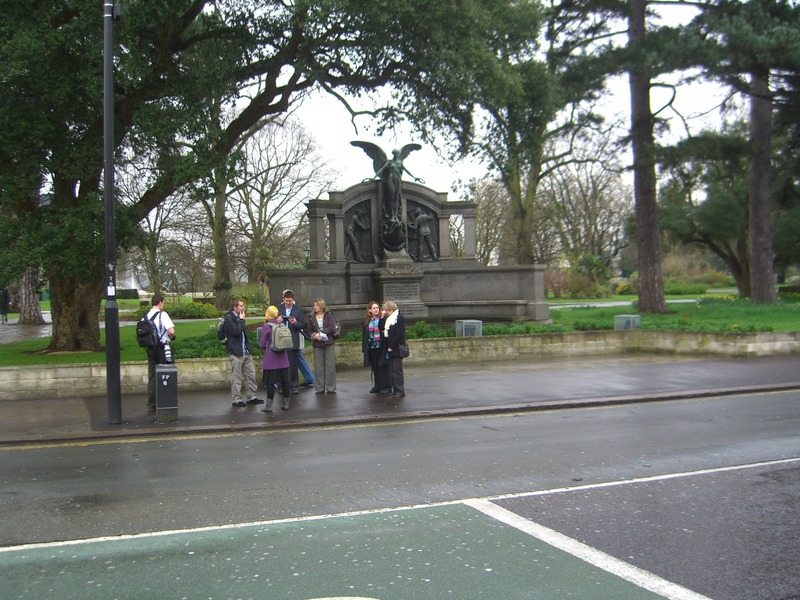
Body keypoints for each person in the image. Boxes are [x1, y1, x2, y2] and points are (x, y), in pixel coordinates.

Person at [223, 298, 263, 408]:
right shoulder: (228, 318)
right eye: (241, 306)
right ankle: (236, 399)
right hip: (236, 352)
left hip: (245, 351)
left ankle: (252, 396)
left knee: (250, 374)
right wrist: (241, 320)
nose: (243, 308)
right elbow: (235, 331)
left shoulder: (239, 318)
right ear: (234, 307)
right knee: (236, 376)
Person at [145, 295, 176, 412]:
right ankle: (166, 400)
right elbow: (171, 331)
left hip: (150, 349)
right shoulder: (163, 315)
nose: (163, 305)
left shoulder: (146, 316)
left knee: (152, 377)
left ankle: (151, 403)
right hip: (163, 349)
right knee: (167, 374)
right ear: (160, 303)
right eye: (163, 303)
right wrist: (171, 336)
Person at [259, 305, 291, 412]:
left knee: (270, 383)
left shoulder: (267, 327)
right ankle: (286, 403)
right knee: (285, 381)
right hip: (283, 359)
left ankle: (269, 406)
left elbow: (262, 344)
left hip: (271, 360)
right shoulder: (281, 325)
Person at [278, 289, 306, 394]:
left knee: (293, 365)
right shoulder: (279, 308)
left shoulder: (298, 310)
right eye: (286, 301)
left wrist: (295, 323)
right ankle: (283, 385)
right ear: (283, 299)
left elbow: (302, 324)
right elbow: (272, 323)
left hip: (293, 339)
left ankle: (294, 385)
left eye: (290, 301)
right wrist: (278, 321)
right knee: (282, 364)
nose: (288, 303)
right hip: (281, 340)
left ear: (293, 300)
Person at [306, 298, 337, 394]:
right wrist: (314, 335)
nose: (314, 307)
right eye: (314, 305)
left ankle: (330, 387)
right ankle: (319, 387)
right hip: (317, 343)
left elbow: (332, 327)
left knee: (330, 365)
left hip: (328, 342)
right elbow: (308, 330)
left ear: (321, 306)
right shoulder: (312, 316)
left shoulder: (328, 315)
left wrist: (321, 332)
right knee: (319, 366)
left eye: (316, 305)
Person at [361, 301, 390, 394]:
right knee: (375, 367)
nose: (376, 309)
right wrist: (364, 348)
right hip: (372, 347)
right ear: (370, 310)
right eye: (373, 308)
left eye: (377, 307)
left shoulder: (383, 319)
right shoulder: (367, 320)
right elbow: (364, 335)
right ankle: (377, 386)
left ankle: (385, 386)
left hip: (381, 346)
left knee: (383, 366)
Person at [381, 300, 406, 398]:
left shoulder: (399, 318)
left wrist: (391, 346)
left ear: (391, 310)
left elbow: (400, 335)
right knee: (392, 370)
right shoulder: (389, 319)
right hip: (390, 348)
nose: (385, 312)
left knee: (397, 371)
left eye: (386, 311)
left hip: (396, 348)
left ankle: (399, 391)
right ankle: (395, 390)